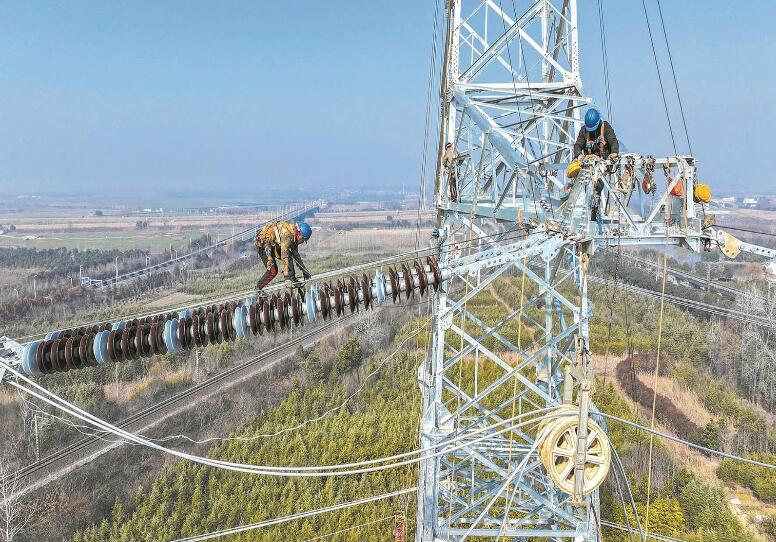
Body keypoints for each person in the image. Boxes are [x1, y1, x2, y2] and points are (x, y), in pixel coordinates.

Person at [254, 221, 312, 294]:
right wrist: (287, 279)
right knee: (273, 271)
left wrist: (304, 270)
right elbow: (285, 256)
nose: (302, 242)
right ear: (299, 234)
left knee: (289, 255)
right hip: (263, 246)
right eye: (303, 240)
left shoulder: (293, 234)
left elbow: (296, 255)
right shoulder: (287, 235)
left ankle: (292, 279)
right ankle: (258, 288)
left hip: (273, 245)